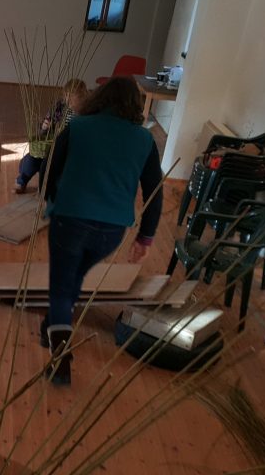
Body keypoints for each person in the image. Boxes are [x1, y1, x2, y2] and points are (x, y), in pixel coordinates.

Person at [43, 77, 163, 385]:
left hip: (69, 219)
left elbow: (48, 168)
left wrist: (52, 198)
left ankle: (61, 358)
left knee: (60, 285)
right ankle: (53, 324)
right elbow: (155, 192)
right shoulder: (145, 140)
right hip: (111, 231)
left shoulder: (78, 127)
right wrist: (145, 237)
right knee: (76, 276)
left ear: (99, 98)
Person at [15, 79, 89, 194]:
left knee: (53, 167)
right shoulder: (59, 107)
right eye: (66, 97)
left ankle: (46, 186)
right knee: (31, 159)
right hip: (51, 145)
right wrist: (45, 127)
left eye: (73, 98)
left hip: (69, 152)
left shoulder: (87, 113)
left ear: (83, 96)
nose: (69, 101)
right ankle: (21, 181)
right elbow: (43, 130)